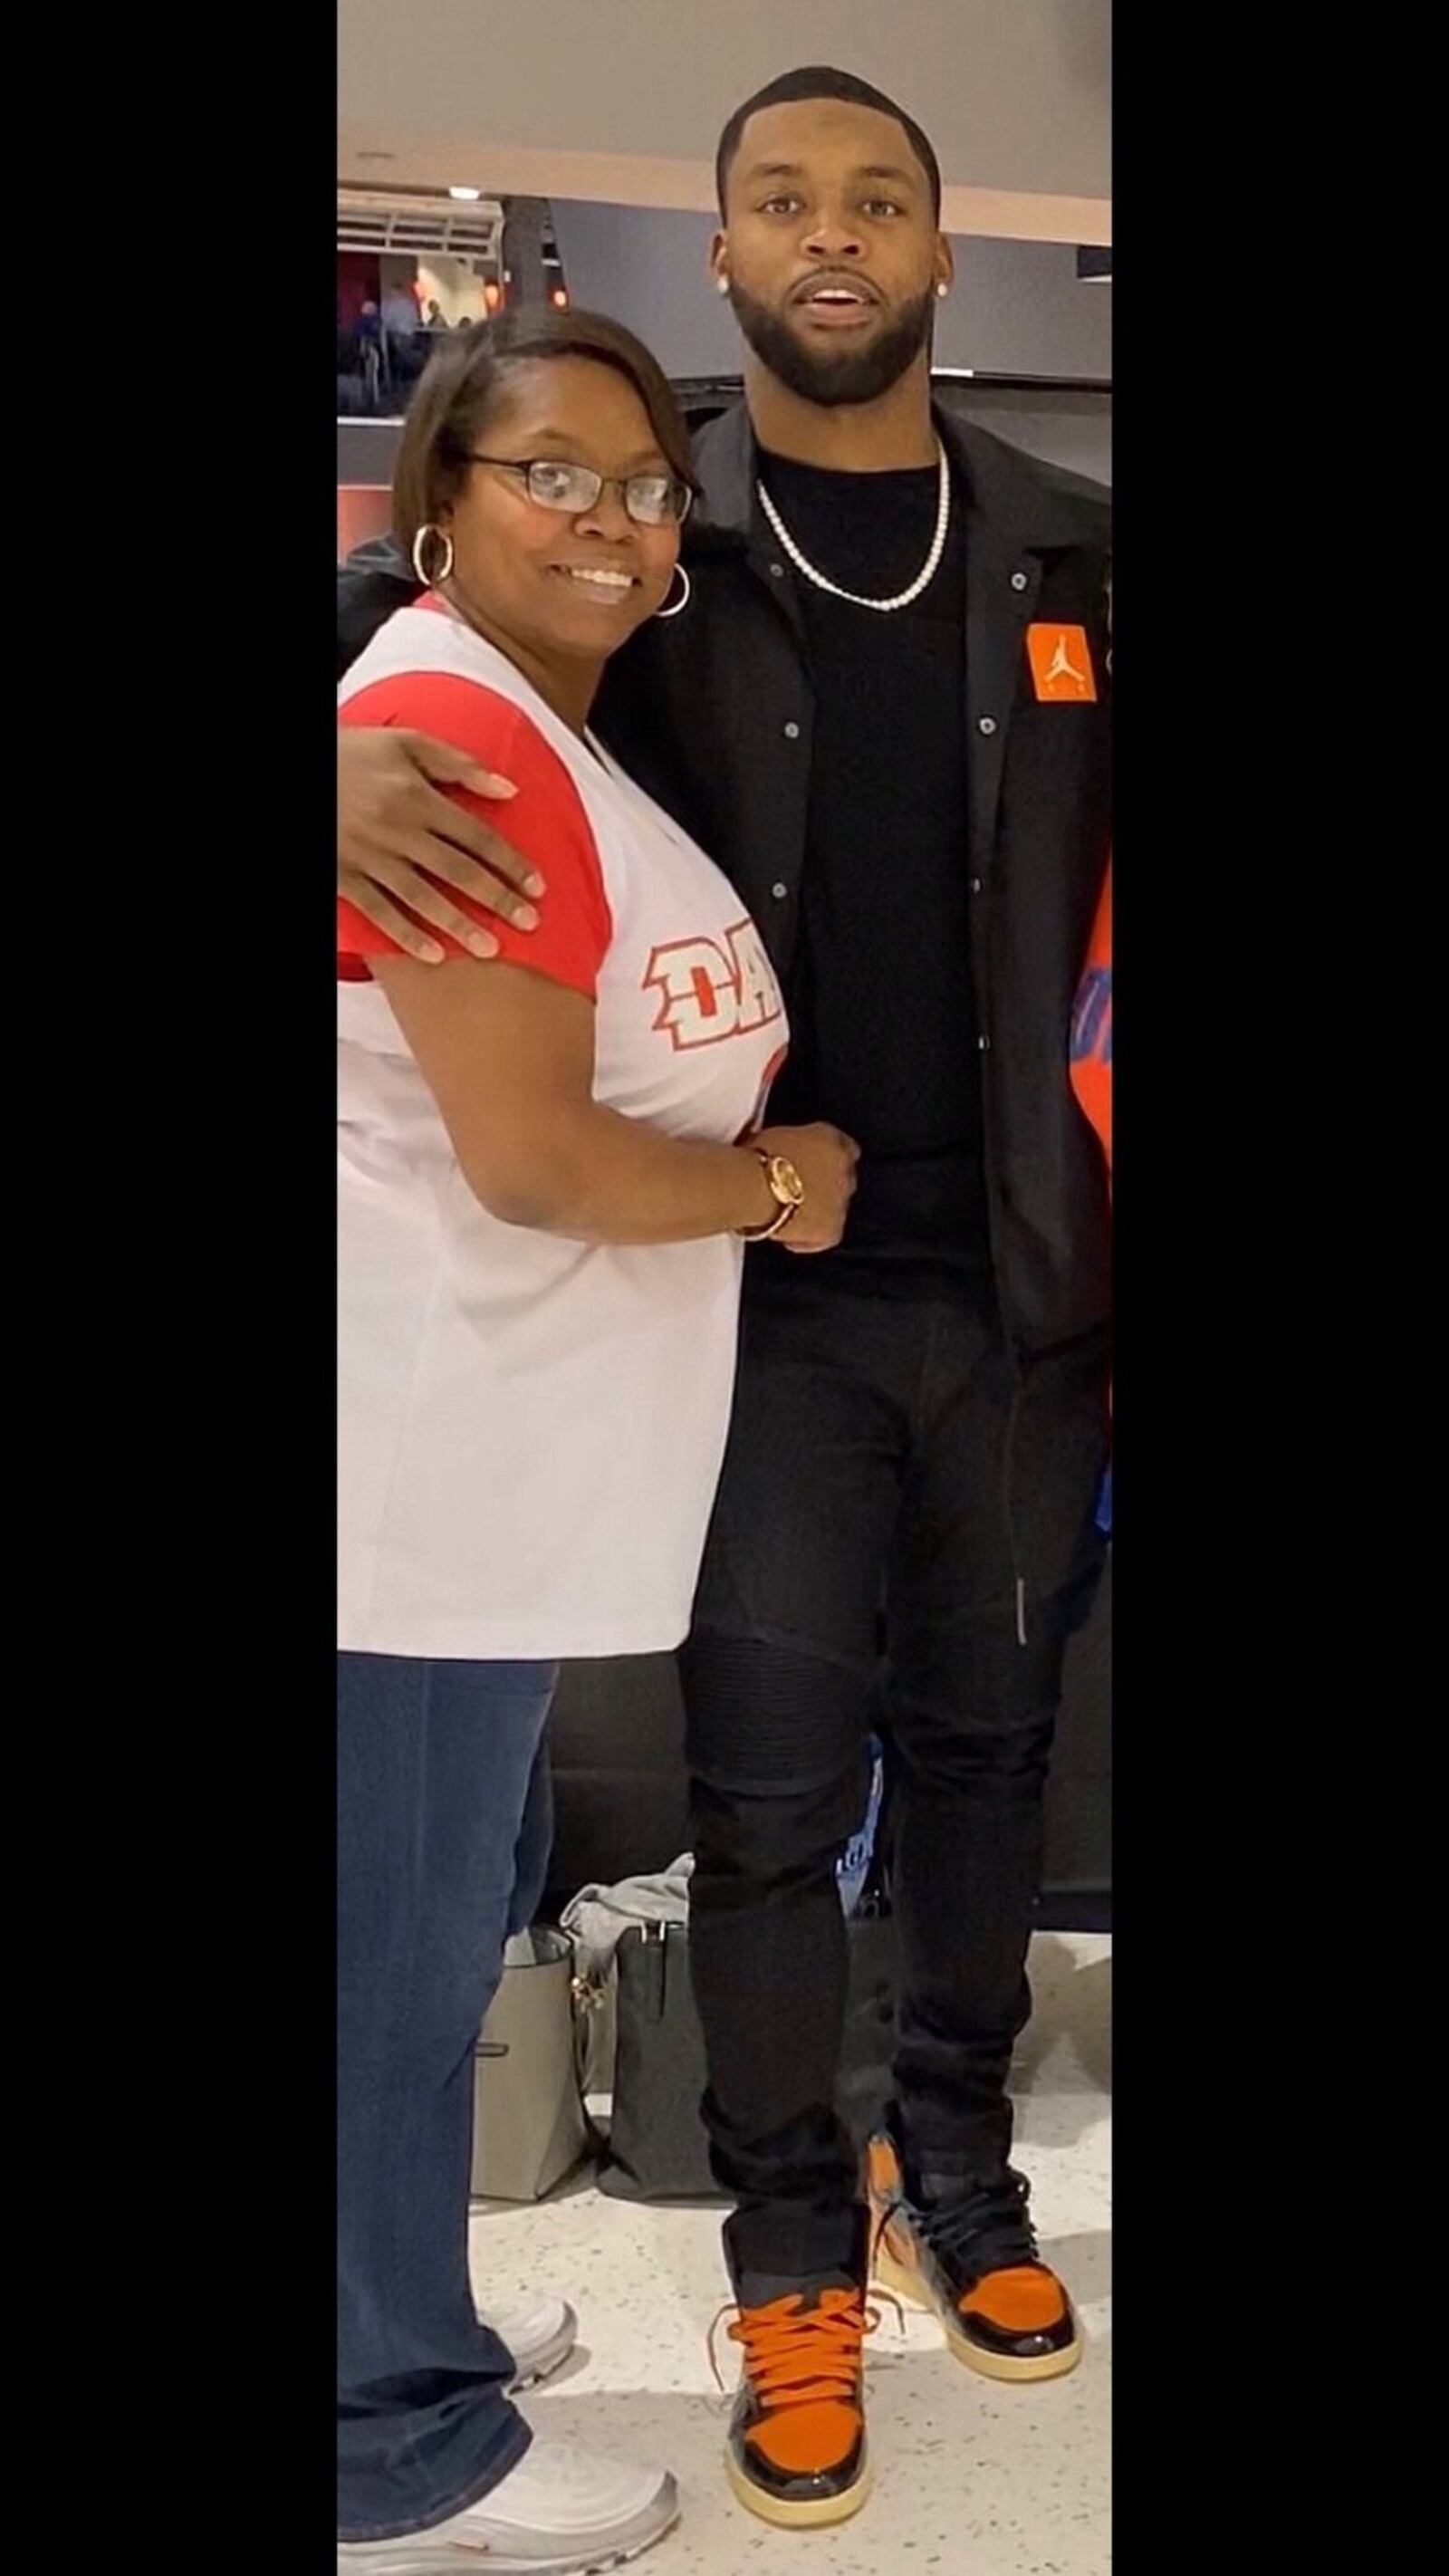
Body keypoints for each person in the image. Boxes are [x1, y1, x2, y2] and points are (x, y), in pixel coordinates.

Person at [336, 65, 1111, 2534]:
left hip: (1018, 1296)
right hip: (751, 1301)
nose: (833, 233)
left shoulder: (1075, 551)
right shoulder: (638, 534)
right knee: (775, 1809)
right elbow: (421, 652)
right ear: (731, 245)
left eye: (879, 195)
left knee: (986, 1768)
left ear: (943, 250)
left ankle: (956, 2173)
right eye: (782, 199)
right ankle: (790, 2244)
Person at [335, 303, 859, 2573]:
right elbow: (540, 1160)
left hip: (489, 1475)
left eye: (644, 487)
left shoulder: (533, 717)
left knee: (434, 1929)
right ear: (436, 494)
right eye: (550, 469)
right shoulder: (444, 725)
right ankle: (390, 2449)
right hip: (408, 1476)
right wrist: (771, 1186)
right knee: (381, 1963)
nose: (608, 516)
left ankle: (394, 2325)